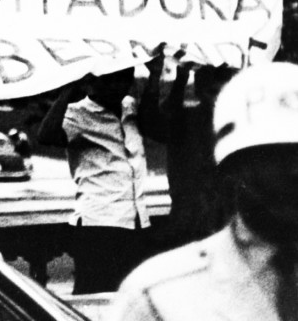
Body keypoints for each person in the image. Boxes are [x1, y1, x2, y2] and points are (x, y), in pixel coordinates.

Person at [108, 62, 298, 321]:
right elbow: (153, 121)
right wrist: (165, 78)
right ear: (236, 167)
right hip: (190, 225)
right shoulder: (163, 294)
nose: (293, 172)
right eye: (275, 156)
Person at [37, 59, 164, 294]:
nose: (118, 86)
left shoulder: (130, 107)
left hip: (136, 220)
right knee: (95, 295)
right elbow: (46, 136)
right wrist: (68, 89)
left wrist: (155, 76)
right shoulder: (77, 114)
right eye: (110, 80)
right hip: (99, 222)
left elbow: (156, 125)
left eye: (124, 78)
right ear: (91, 83)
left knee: (132, 297)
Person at [159, 64, 237, 248]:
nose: (218, 98)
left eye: (224, 92)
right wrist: (181, 78)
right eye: (212, 92)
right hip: (191, 217)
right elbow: (168, 113)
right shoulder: (185, 119)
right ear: (199, 91)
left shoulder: (235, 123)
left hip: (223, 215)